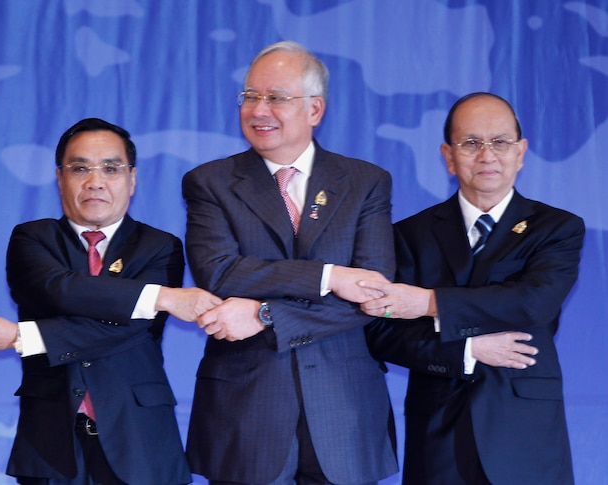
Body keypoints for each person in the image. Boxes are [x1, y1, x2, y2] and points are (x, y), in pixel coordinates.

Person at [182, 41, 398, 485]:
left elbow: (372, 294)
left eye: (276, 97)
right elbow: (221, 272)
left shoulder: (365, 183)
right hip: (246, 409)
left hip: (345, 408)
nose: (259, 109)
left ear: (314, 109)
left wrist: (264, 314)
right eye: (250, 96)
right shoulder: (210, 182)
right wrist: (330, 277)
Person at [0, 117, 220, 485]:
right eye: (80, 168)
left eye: (111, 168)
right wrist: (161, 297)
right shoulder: (33, 239)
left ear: (132, 179)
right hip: (51, 439)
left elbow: (129, 330)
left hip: (140, 439)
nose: (95, 181)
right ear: (60, 178)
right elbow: (58, 288)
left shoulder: (159, 246)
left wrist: (21, 337)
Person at [362, 92, 582, 484]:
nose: (487, 155)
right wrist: (467, 350)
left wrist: (429, 303)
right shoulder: (409, 235)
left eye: (500, 142)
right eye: (471, 143)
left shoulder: (557, 228)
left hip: (525, 431)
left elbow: (533, 303)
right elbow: (382, 333)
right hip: (439, 429)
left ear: (521, 152)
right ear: (448, 156)